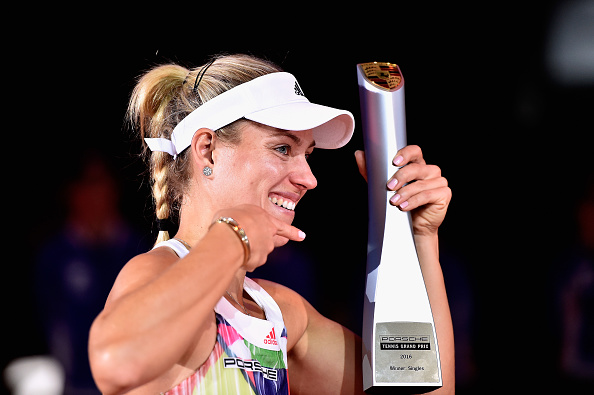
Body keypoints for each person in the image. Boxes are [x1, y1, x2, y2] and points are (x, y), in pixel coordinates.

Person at [88, 54, 454, 394]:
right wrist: (233, 236)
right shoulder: (157, 271)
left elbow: (420, 386)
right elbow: (115, 364)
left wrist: (420, 240)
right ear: (207, 150)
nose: (309, 179)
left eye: (307, 154)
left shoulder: (280, 313)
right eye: (282, 149)